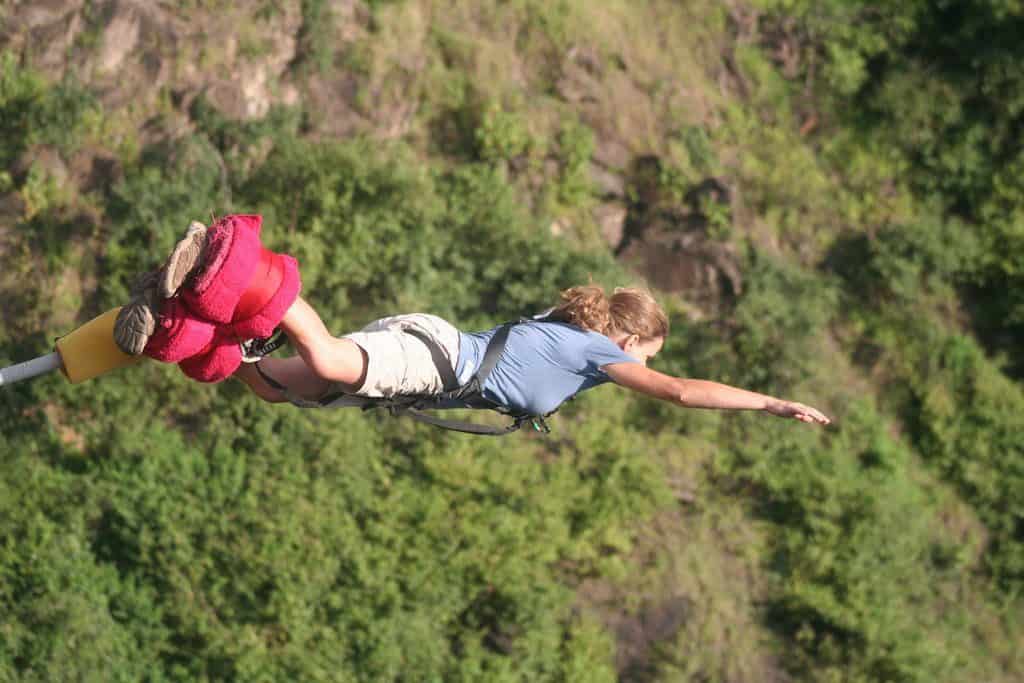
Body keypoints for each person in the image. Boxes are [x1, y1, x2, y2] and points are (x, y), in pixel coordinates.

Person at [232, 285, 832, 427]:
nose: (643, 372)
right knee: (332, 360)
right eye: (645, 358)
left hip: (423, 374)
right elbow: (681, 391)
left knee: (275, 385)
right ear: (627, 344)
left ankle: (225, 337)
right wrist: (771, 403)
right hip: (437, 359)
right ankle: (259, 280)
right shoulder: (595, 349)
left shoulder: (573, 338)